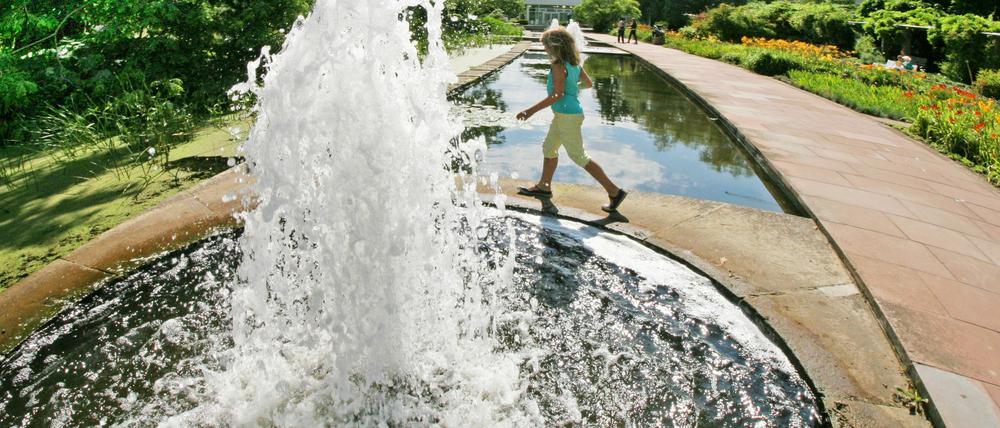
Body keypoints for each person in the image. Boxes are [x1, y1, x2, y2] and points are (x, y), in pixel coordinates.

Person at [515, 28, 627, 213]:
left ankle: (615, 192)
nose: (544, 49)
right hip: (567, 114)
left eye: (545, 45)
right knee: (549, 148)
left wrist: (530, 111)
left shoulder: (559, 65)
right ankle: (544, 186)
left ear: (555, 45)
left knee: (579, 156)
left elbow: (556, 95)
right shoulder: (574, 63)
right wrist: (571, 88)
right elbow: (589, 83)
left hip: (568, 116)